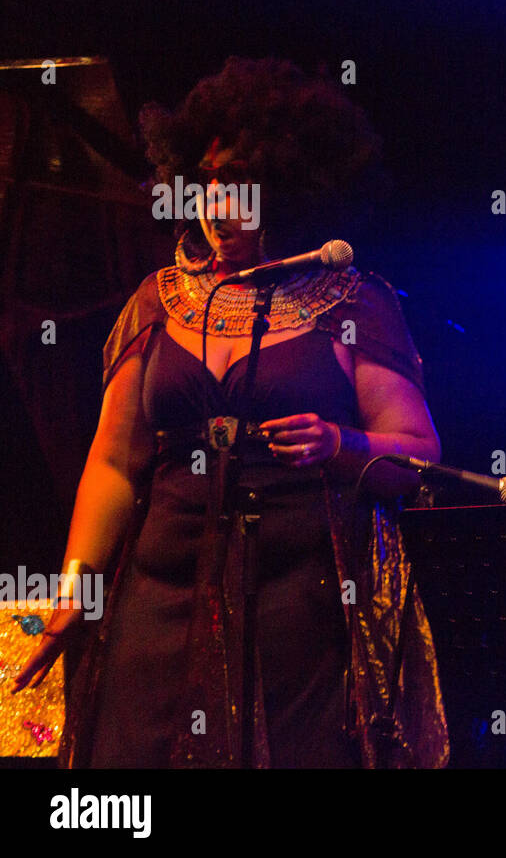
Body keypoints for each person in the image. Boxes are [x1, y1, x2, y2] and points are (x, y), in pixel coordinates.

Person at [13, 57, 451, 768]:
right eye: (212, 184)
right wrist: (76, 587)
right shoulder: (156, 301)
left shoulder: (352, 301)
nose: (221, 206)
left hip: (301, 615)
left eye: (244, 188)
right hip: (155, 603)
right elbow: (114, 463)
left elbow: (418, 453)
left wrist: (340, 443)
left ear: (292, 193)